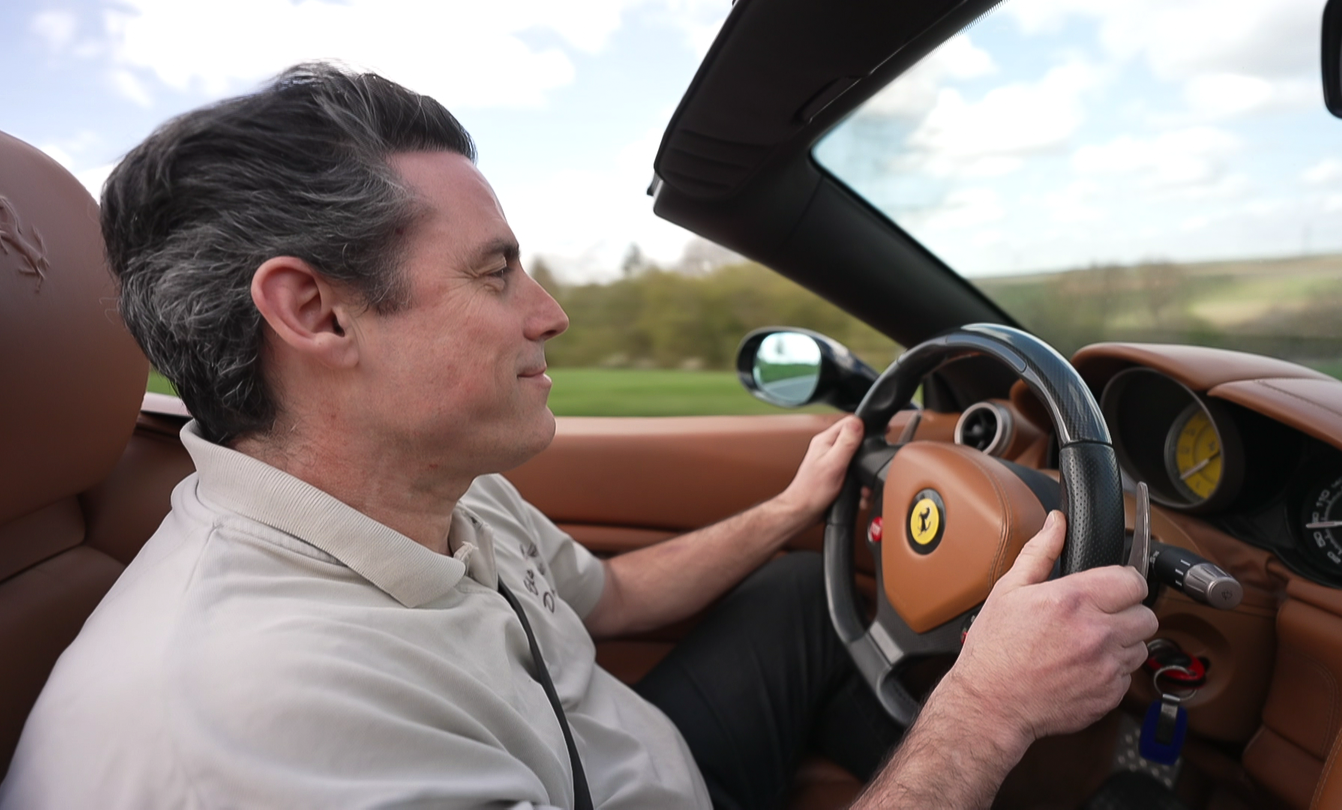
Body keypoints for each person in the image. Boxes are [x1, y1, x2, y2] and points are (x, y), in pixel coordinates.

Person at [0, 64, 1156, 810]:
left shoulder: (430, 481)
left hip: (616, 771)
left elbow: (614, 600)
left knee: (794, 593)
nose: (550, 314)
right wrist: (986, 713)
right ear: (316, 312)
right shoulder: (261, 726)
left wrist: (792, 510)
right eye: (495, 272)